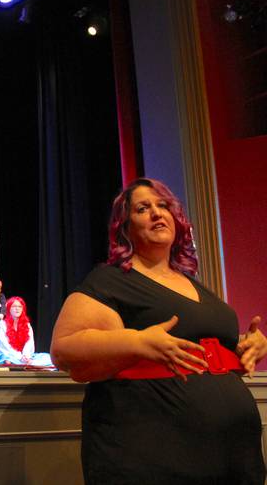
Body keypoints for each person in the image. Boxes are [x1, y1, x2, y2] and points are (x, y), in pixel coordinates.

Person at [50, 178, 267, 483]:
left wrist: (249, 345)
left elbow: (199, 349)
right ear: (124, 227)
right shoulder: (109, 281)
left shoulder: (194, 284)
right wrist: (137, 341)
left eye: (162, 205)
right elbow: (64, 349)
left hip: (233, 454)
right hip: (154, 453)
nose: (156, 212)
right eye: (143, 208)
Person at [0, 296, 35, 364]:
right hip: (8, 355)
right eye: (14, 306)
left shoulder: (27, 325)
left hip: (24, 356)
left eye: (20, 306)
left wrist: (26, 357)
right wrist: (20, 357)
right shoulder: (2, 324)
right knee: (8, 361)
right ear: (9, 309)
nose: (17, 309)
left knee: (48, 359)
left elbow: (29, 343)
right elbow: (4, 346)